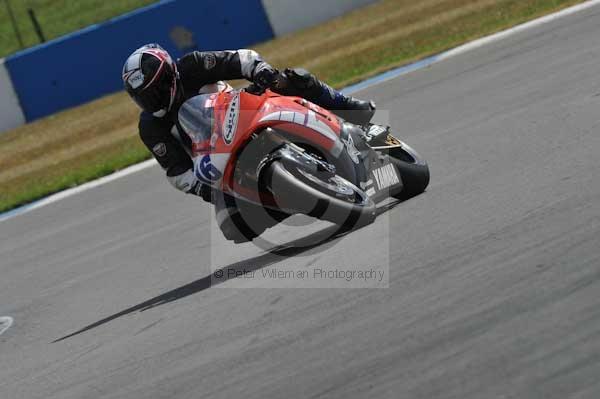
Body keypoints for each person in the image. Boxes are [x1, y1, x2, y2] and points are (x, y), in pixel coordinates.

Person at [122, 43, 376, 201]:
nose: (151, 101)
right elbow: (176, 170)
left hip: (242, 112)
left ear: (169, 76)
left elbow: (240, 59)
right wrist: (200, 189)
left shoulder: (194, 65)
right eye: (143, 97)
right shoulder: (150, 127)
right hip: (217, 159)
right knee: (233, 226)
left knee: (289, 79)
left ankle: (349, 108)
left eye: (153, 92)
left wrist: (260, 71)